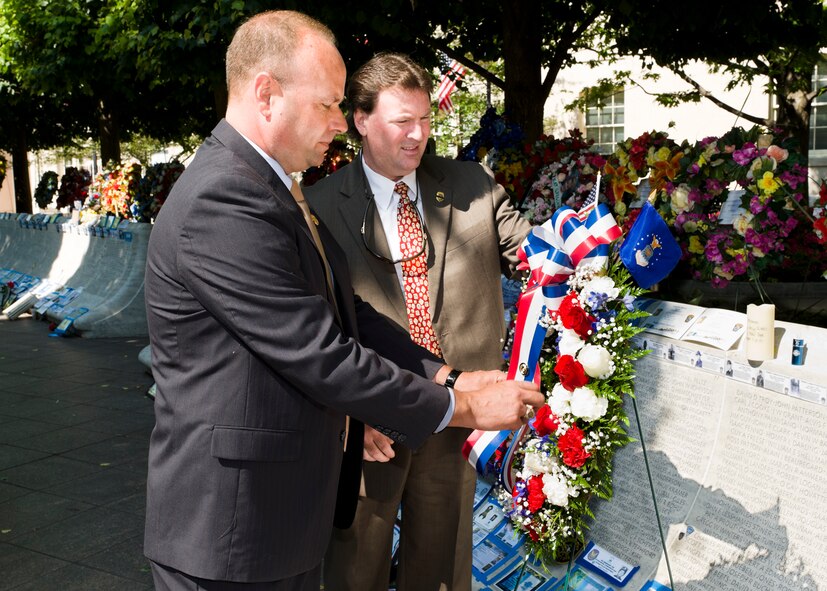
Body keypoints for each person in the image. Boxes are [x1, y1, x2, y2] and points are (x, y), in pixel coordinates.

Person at [142, 11, 541, 591]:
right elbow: (322, 355)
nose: (338, 122)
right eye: (327, 105)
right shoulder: (224, 200)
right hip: (233, 532)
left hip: (270, 522)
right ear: (267, 94)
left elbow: (349, 316)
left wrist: (449, 378)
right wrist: (466, 410)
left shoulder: (272, 185)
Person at [305, 52, 532, 591]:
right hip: (372, 423)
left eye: (425, 119)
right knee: (355, 569)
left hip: (460, 417)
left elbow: (534, 253)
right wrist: (341, 414)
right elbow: (314, 325)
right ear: (361, 121)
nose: (418, 135)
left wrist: (583, 252)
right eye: (401, 121)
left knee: (441, 574)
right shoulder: (318, 206)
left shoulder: (472, 185)